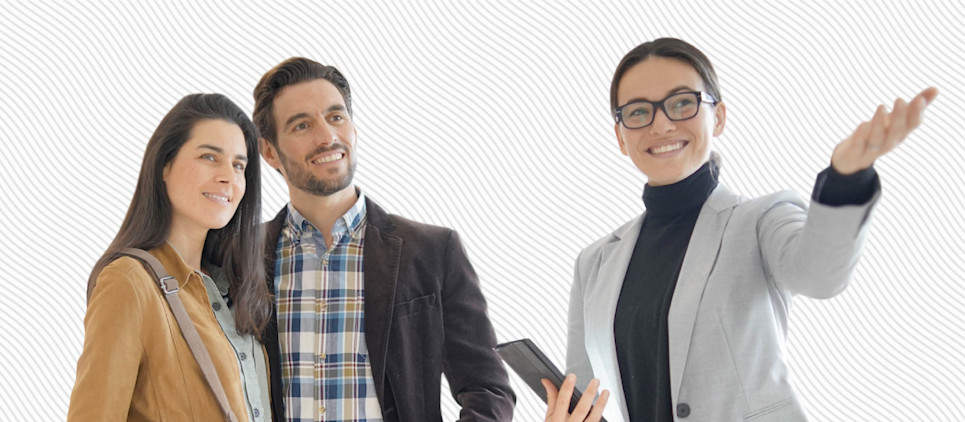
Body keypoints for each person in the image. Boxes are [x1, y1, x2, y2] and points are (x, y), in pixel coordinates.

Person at [557, 38, 937, 421]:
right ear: (621, 136)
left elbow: (821, 275)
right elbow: (584, 394)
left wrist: (845, 179)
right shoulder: (594, 263)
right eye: (638, 112)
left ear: (718, 116)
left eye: (682, 103)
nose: (662, 123)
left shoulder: (760, 219)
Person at [252, 57, 515, 422]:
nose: (327, 136)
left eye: (336, 117)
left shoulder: (433, 251)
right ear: (269, 151)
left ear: (354, 129)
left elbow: (487, 389)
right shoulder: (240, 256)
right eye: (301, 125)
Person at [68, 94, 273, 421]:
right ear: (165, 164)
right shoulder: (129, 283)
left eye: (239, 165)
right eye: (209, 156)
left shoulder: (234, 290)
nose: (228, 177)